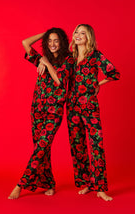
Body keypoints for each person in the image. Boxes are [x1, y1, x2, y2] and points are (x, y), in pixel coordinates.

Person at [8, 28, 74, 199]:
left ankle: (20, 185)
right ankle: (49, 184)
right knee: (41, 148)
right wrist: (44, 35)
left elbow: (59, 81)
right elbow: (25, 43)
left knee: (42, 146)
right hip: (37, 108)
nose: (52, 44)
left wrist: (46, 62)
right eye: (49, 41)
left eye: (56, 40)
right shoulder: (42, 59)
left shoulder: (68, 59)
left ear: (62, 42)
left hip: (54, 111)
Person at [66, 24, 120, 201]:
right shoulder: (70, 57)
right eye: (76, 32)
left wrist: (98, 84)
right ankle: (89, 183)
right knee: (78, 146)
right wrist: (41, 64)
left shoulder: (95, 55)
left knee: (96, 146)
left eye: (83, 33)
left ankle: (101, 188)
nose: (78, 35)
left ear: (89, 37)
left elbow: (114, 73)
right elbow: (56, 70)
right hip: (72, 107)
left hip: (89, 106)